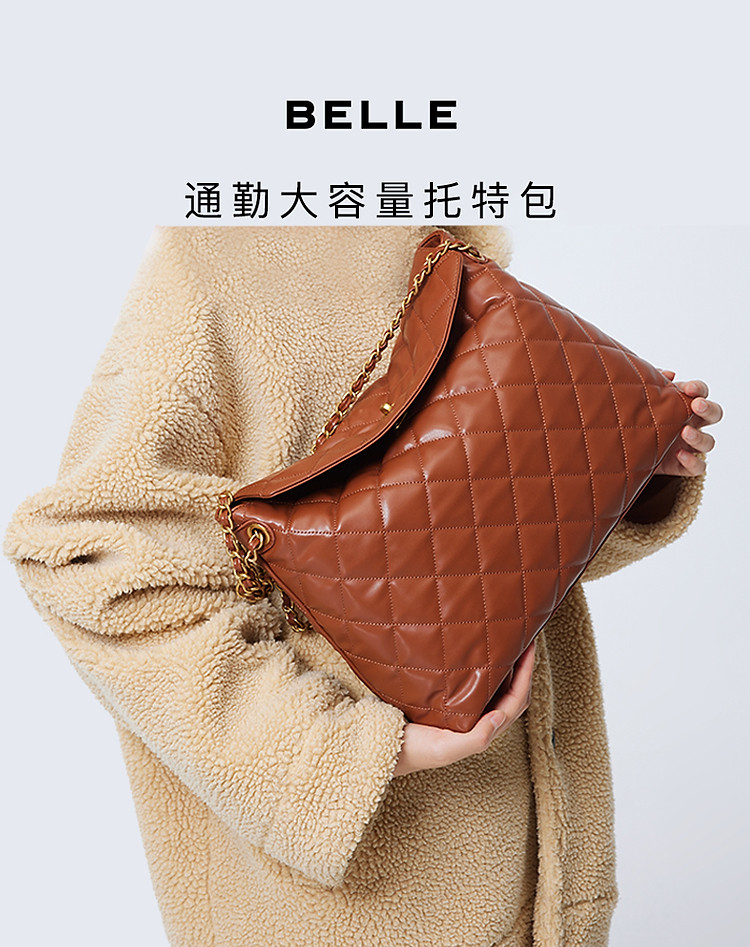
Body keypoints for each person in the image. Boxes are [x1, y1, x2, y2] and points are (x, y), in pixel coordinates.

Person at [4, 225, 722, 947]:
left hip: (520, 860)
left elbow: (462, 553)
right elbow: (88, 560)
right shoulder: (219, 263)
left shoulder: (439, 238)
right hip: (352, 903)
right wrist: (340, 753)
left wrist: (620, 468)